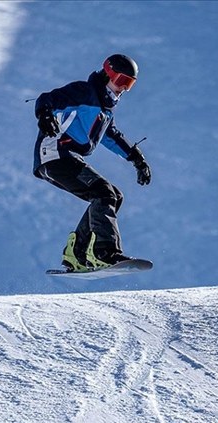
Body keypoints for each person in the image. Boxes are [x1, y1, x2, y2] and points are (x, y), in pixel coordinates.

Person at [32, 54, 151, 272]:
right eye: (121, 81)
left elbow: (111, 137)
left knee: (114, 196)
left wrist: (137, 159)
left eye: (129, 84)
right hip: (53, 154)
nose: (123, 88)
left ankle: (76, 254)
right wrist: (45, 115)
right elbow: (47, 99)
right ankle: (105, 253)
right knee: (104, 193)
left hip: (66, 157)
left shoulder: (104, 111)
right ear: (108, 74)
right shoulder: (84, 92)